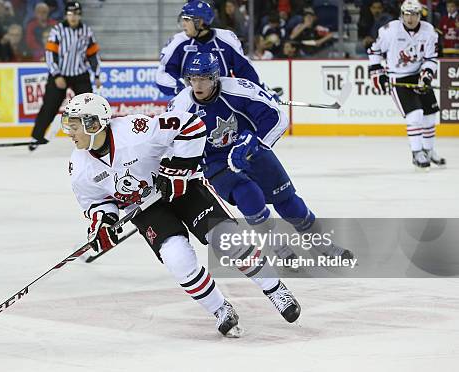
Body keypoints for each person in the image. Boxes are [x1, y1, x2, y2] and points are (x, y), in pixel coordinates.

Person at [64, 92, 301, 337]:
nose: (69, 131)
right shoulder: (79, 167)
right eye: (68, 124)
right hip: (146, 209)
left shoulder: (136, 131)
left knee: (226, 239)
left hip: (184, 188)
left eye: (74, 124)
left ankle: (275, 289)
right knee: (176, 257)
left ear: (94, 123)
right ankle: (220, 308)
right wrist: (104, 222)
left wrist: (177, 170)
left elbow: (191, 125)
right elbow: (96, 201)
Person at [169, 52, 354, 260]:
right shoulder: (181, 106)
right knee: (249, 195)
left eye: (203, 78)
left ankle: (322, 245)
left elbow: (277, 118)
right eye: (192, 79)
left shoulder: (238, 90)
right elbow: (168, 142)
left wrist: (254, 142)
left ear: (214, 77)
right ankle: (278, 247)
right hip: (216, 162)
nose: (197, 85)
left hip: (250, 149)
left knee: (291, 204)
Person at [368, 0, 445, 170]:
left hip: (418, 75)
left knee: (430, 115)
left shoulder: (429, 31)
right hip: (399, 78)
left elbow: (431, 58)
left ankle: (428, 150)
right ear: (402, 14)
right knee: (415, 115)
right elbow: (374, 51)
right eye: (407, 14)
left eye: (414, 14)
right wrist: (378, 74)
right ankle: (417, 153)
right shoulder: (390, 30)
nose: (410, 18)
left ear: (420, 15)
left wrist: (426, 76)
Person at [29, 1, 101, 150]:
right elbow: (50, 54)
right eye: (70, 14)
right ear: (66, 15)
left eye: (76, 14)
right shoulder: (58, 30)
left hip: (80, 73)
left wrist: (97, 75)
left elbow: (93, 55)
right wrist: (56, 75)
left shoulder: (86, 31)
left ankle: (94, 134)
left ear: (80, 15)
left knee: (88, 106)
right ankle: (36, 136)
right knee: (50, 105)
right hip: (60, 74)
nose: (73, 17)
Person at [155, 0, 263, 97]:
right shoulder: (177, 42)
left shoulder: (226, 39)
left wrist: (258, 90)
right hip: (191, 98)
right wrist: (182, 89)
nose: (183, 24)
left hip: (223, 98)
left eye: (187, 20)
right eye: (182, 19)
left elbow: (244, 69)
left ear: (200, 21)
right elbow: (164, 73)